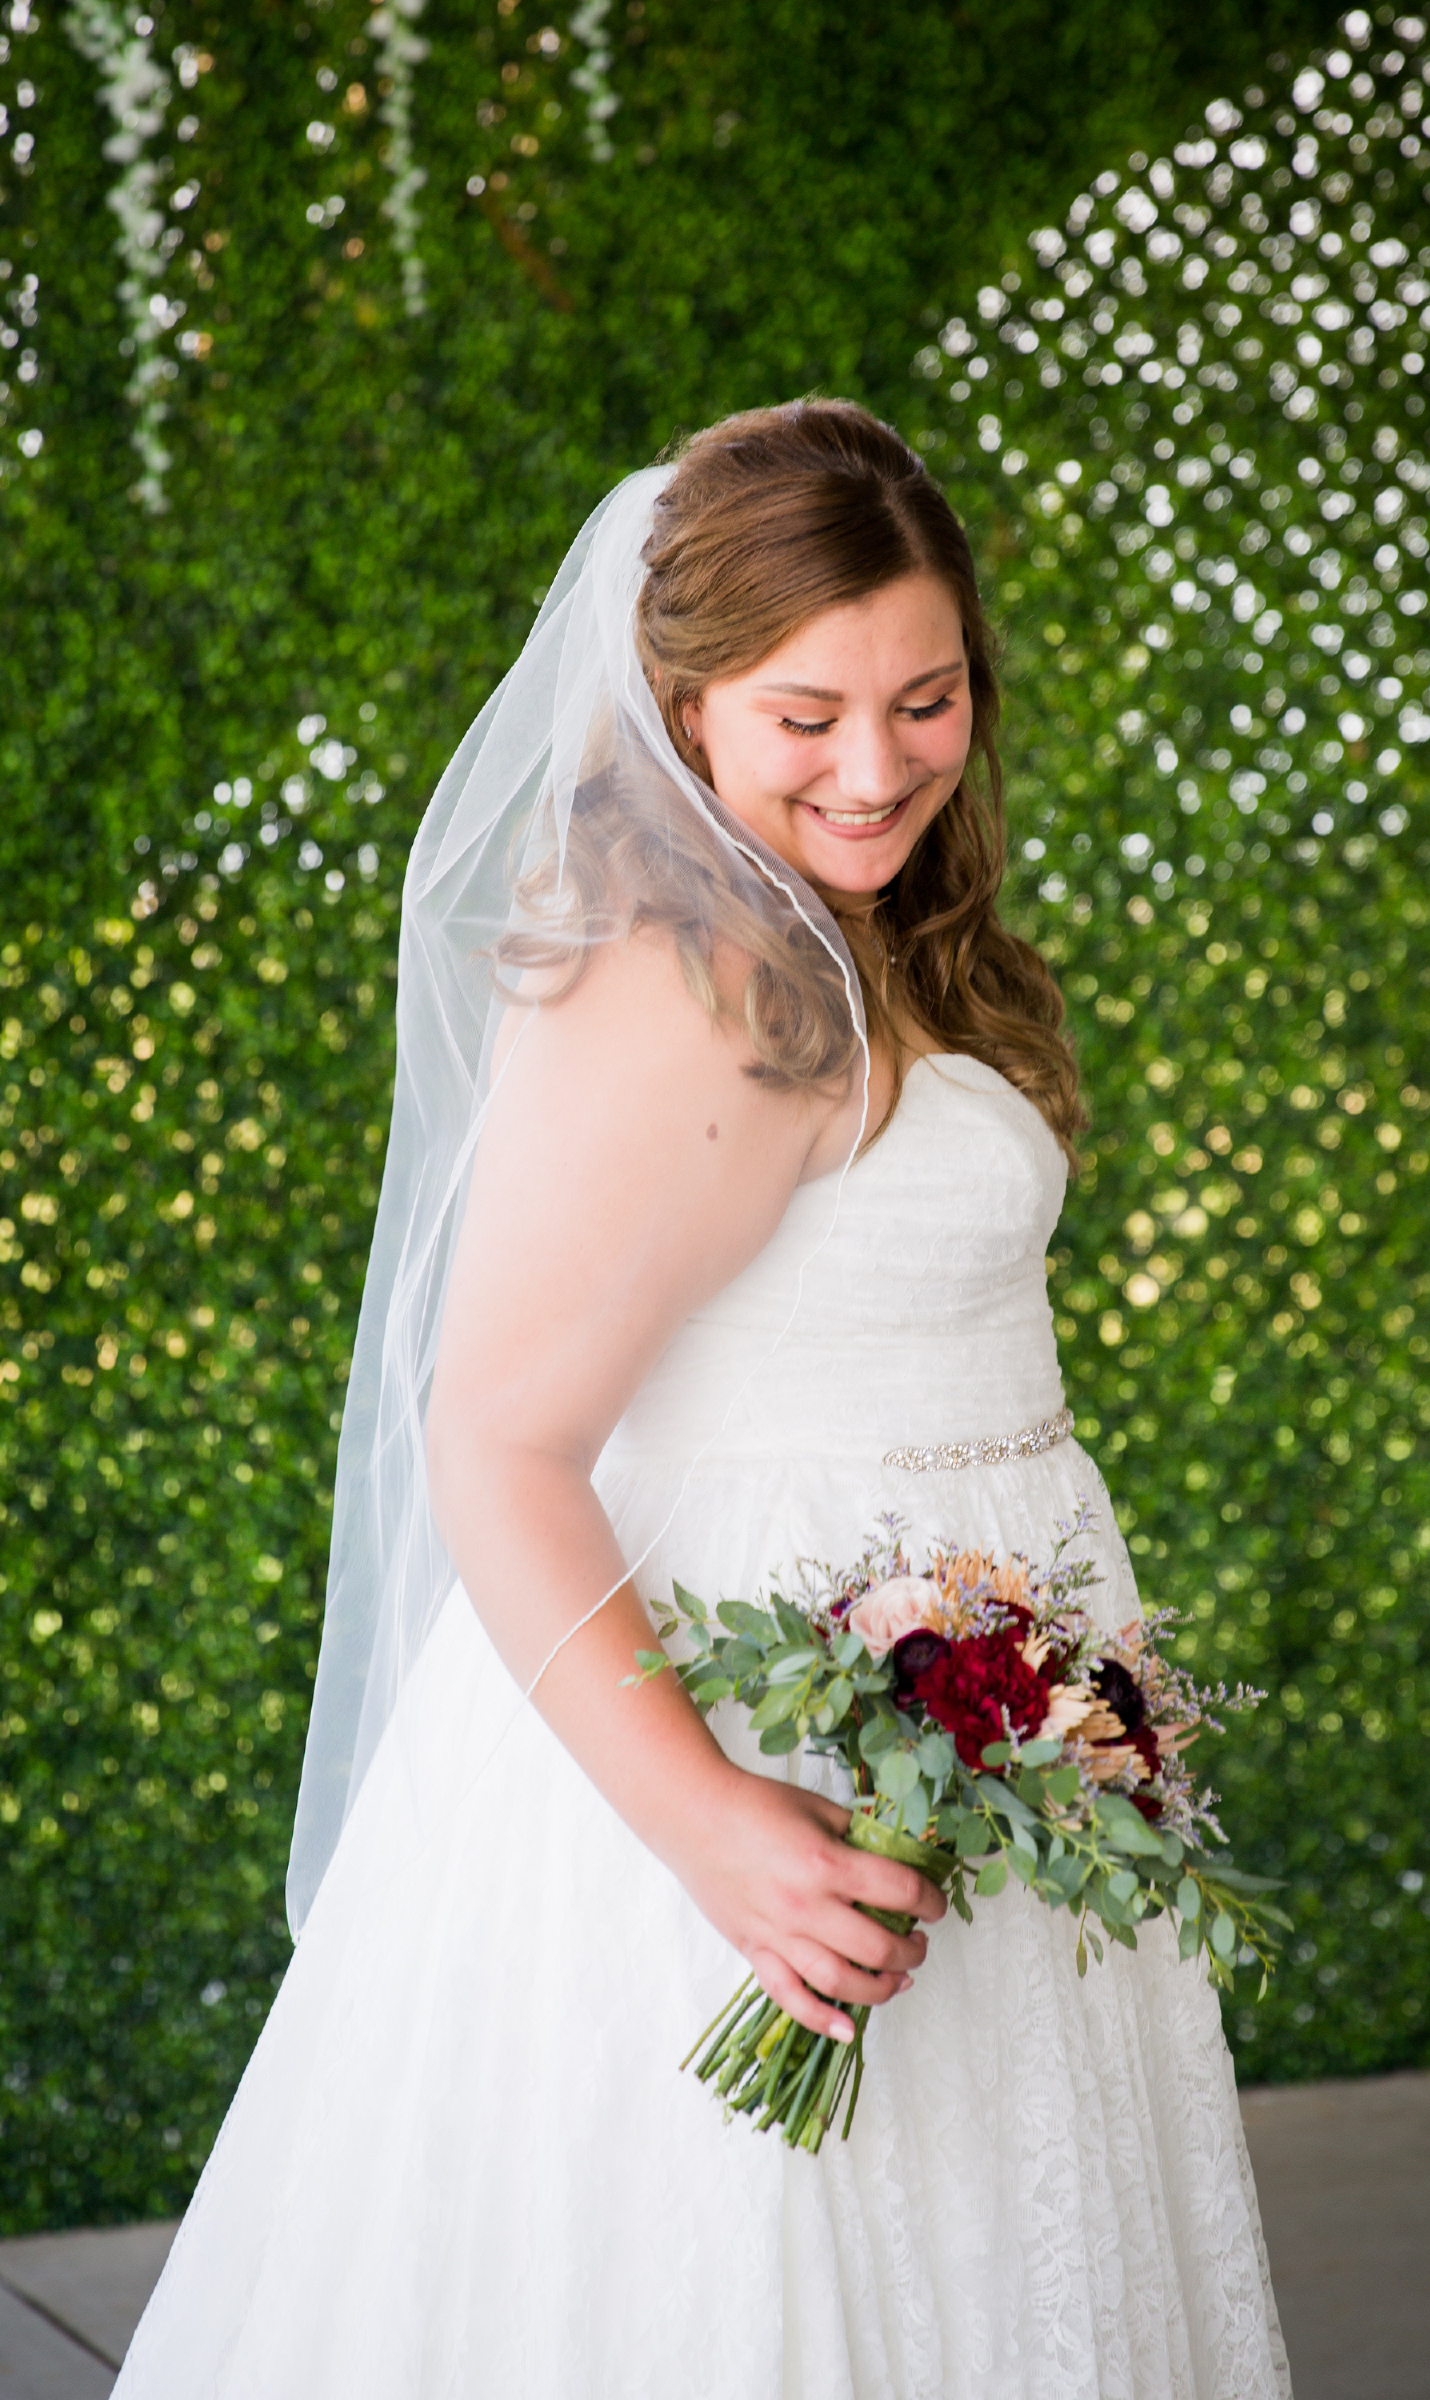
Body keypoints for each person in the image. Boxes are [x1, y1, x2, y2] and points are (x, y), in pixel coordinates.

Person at [115, 401, 1290, 2398]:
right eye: (803, 714)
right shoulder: (671, 966)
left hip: (965, 1716)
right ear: (680, 702)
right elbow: (490, 1434)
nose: (877, 763)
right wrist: (717, 1832)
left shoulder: (877, 931)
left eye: (925, 700)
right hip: (736, 1734)